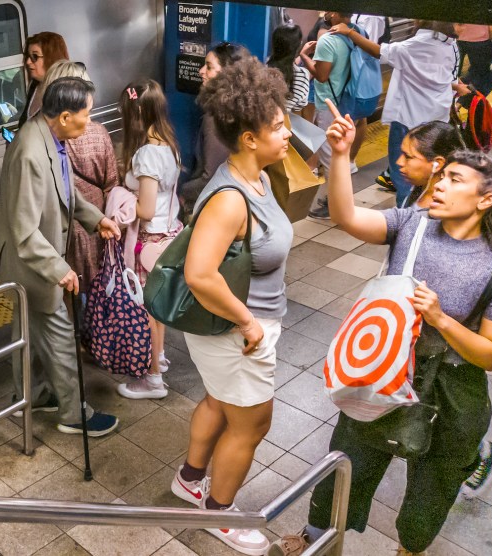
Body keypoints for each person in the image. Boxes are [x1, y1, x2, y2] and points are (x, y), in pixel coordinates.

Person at [269, 103, 492, 556]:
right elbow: (347, 216)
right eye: (444, 175)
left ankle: (410, 548)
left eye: (456, 180)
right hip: (384, 371)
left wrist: (440, 320)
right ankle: (318, 534)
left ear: (486, 200)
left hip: (453, 390)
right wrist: (340, 155)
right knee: (347, 460)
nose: (441, 184)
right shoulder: (412, 224)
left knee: (432, 486)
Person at [170, 59, 293, 555]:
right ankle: (219, 514)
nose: (288, 133)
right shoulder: (230, 198)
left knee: (220, 403)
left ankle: (190, 479)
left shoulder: (256, 177)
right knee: (253, 423)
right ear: (248, 137)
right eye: (279, 126)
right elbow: (200, 274)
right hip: (237, 331)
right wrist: (248, 323)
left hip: (240, 327)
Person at [0, 76, 122, 437]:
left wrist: (98, 220)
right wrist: (60, 269)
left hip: (29, 258)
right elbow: (25, 230)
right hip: (31, 261)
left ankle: (30, 394)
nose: (90, 122)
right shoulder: (31, 152)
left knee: (25, 331)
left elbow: (64, 194)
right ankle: (74, 414)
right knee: (61, 336)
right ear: (63, 116)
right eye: (86, 115)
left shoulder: (51, 139)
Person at [330, 20, 460, 208]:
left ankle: (405, 211)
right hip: (437, 115)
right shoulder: (451, 44)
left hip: (409, 117)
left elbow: (379, 51)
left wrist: (349, 32)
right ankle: (421, 206)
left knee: (403, 169)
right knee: (425, 168)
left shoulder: (418, 44)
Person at [116, 78, 182, 399]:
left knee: (145, 309)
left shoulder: (146, 154)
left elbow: (146, 208)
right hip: (169, 235)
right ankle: (160, 357)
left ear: (138, 111)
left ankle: (152, 378)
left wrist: (123, 195)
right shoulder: (168, 144)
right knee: (157, 305)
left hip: (148, 240)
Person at [41, 60, 119, 292]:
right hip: (95, 225)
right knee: (96, 286)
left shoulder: (45, 135)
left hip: (58, 229)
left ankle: (74, 327)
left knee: (64, 289)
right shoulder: (98, 133)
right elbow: (111, 182)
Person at [180, 42, 251, 214]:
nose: (201, 71)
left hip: (215, 207)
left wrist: (183, 193)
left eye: (209, 67)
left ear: (226, 74)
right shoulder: (245, 108)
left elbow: (211, 176)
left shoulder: (216, 117)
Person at [300, 11, 358, 219]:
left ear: (333, 14)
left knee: (329, 156)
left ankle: (333, 204)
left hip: (328, 103)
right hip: (345, 97)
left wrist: (305, 56)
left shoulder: (328, 41)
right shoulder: (355, 33)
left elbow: (321, 76)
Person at [393, 121, 465, 208]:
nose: (399, 162)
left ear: (437, 164)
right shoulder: (419, 188)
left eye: (408, 157)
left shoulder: (443, 213)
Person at [18, 32, 70, 127]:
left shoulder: (63, 95)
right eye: (27, 56)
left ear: (52, 58)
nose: (28, 62)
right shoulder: (34, 85)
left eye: (35, 56)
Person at [267, 24, 311, 114]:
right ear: (299, 46)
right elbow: (298, 108)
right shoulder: (302, 76)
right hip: (284, 123)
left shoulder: (258, 71)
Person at [455, 24, 492, 95]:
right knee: (479, 74)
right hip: (480, 38)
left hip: (457, 35)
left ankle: (456, 100)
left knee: (453, 73)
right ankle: (468, 101)